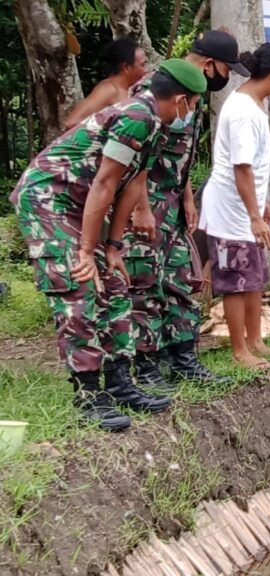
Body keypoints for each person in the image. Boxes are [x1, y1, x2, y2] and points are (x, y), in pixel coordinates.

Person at [11, 60, 207, 431]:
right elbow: (104, 183)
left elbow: (134, 184)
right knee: (79, 286)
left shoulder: (157, 125)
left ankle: (119, 384)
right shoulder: (136, 116)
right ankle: (88, 394)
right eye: (194, 104)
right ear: (181, 99)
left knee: (116, 285)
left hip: (83, 204)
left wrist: (113, 246)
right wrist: (87, 251)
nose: (192, 113)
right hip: (50, 198)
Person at [126, 29, 251, 391]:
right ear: (210, 64)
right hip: (146, 201)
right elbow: (135, 158)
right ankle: (146, 367)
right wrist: (141, 208)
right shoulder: (154, 89)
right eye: (227, 70)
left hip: (173, 205)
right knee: (145, 283)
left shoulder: (191, 91)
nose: (227, 78)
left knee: (179, 282)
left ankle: (183, 360)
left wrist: (187, 198)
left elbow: (181, 155)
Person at [199, 44, 270, 369]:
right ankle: (240, 351)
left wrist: (263, 203)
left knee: (254, 276)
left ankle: (256, 341)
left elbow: (257, 165)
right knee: (235, 281)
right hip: (230, 210)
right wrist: (254, 216)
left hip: (247, 207)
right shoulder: (242, 111)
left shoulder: (255, 105)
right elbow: (241, 168)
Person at [64, 38, 148, 130]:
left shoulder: (132, 89)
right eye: (143, 65)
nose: (147, 70)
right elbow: (72, 122)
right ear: (126, 67)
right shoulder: (109, 89)